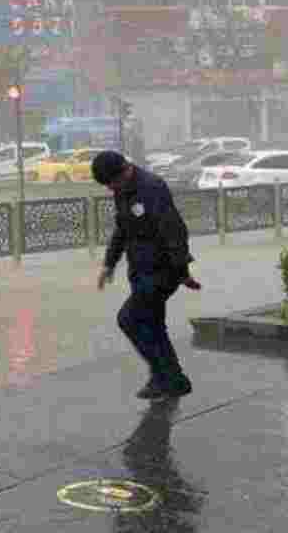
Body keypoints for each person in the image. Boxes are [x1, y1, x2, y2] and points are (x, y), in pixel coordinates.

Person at [92, 150, 201, 400]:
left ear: (124, 171)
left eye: (112, 183)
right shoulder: (123, 189)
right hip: (140, 270)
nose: (111, 189)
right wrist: (109, 264)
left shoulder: (152, 187)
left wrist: (182, 271)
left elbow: (175, 230)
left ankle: (171, 377)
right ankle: (165, 379)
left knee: (128, 319)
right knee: (152, 325)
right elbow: (122, 229)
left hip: (163, 271)